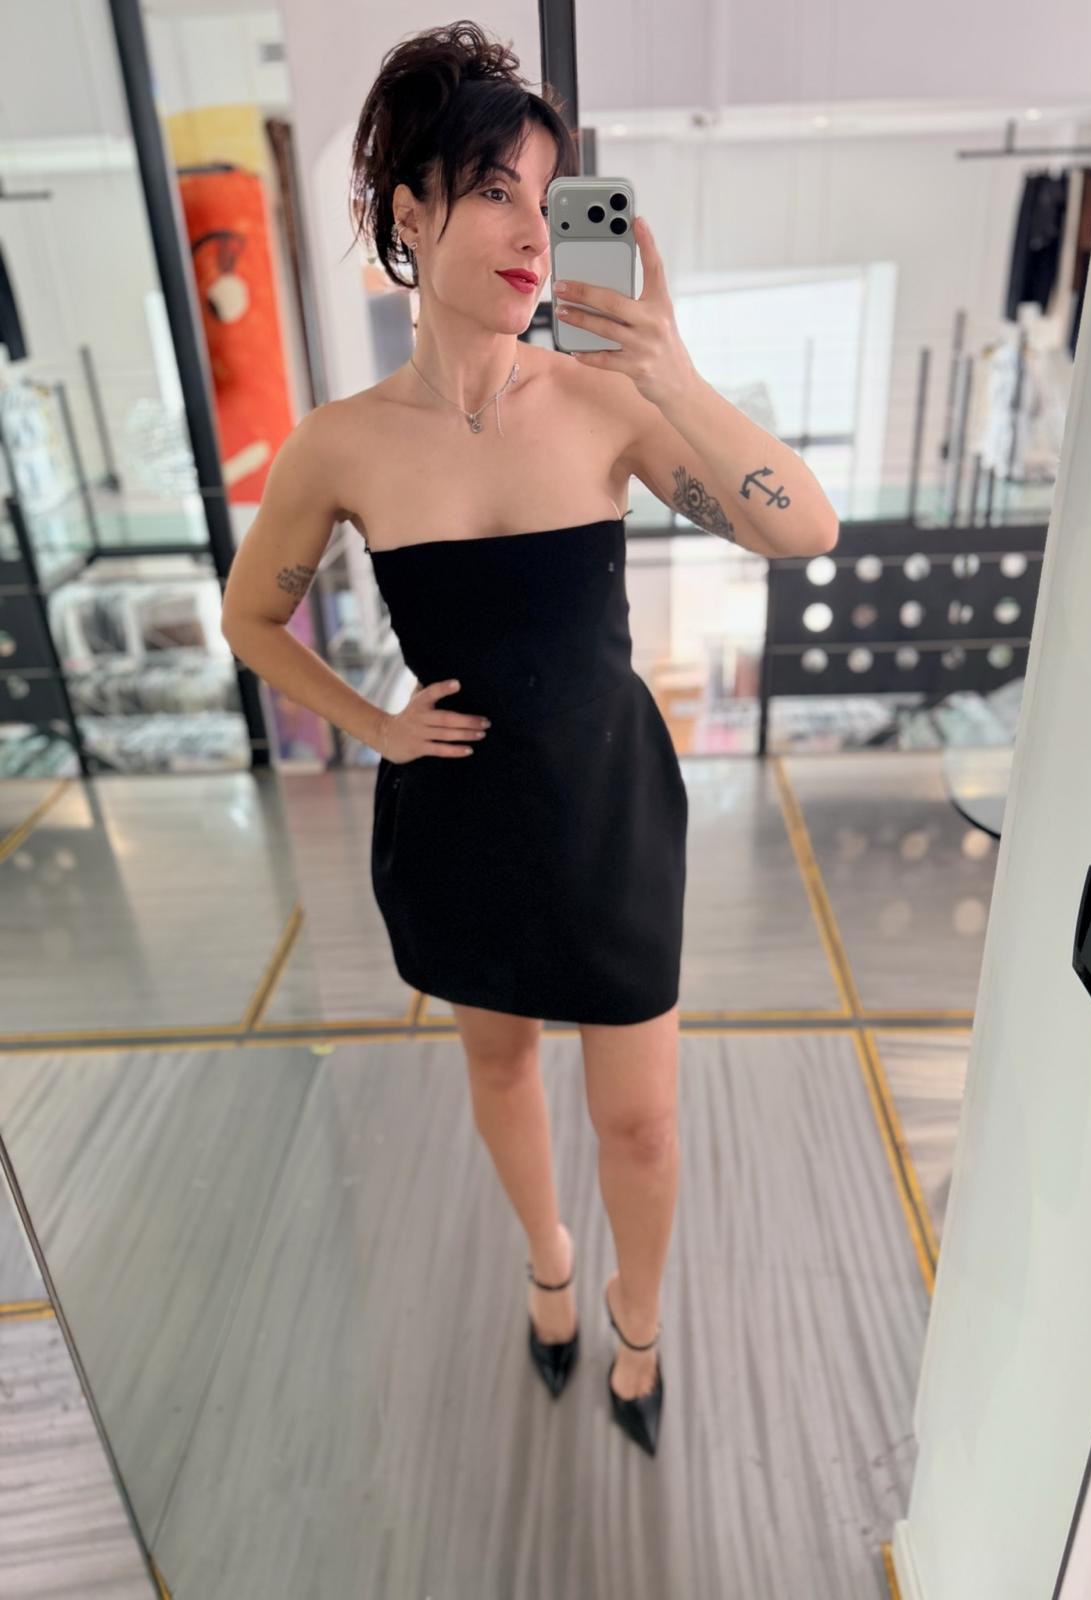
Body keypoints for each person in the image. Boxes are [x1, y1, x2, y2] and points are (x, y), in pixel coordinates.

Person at [221, 21, 686, 1456]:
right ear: (408, 215)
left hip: (608, 806)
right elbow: (251, 619)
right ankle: (548, 1263)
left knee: (643, 1123)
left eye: (551, 198)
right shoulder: (342, 443)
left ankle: (639, 1320)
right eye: (494, 191)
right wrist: (375, 723)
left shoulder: (605, 398)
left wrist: (671, 365)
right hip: (464, 808)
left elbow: (799, 524)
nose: (535, 232)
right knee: (498, 1068)